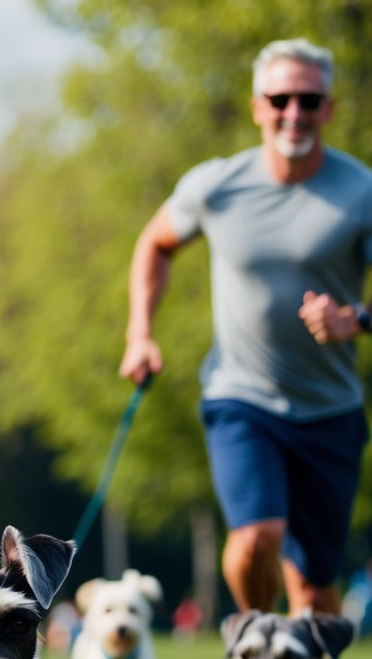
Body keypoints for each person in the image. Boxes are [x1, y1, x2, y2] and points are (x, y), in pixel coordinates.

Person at [120, 38, 372, 617]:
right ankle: (255, 644)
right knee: (256, 537)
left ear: (328, 108)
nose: (294, 113)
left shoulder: (359, 192)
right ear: (257, 105)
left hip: (330, 410)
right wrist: (140, 331)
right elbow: (155, 244)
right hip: (241, 397)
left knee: (313, 591)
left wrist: (353, 320)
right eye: (280, 98)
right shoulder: (217, 186)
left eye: (309, 100)